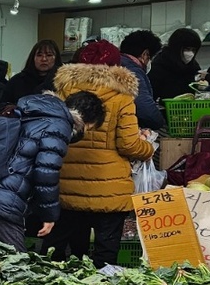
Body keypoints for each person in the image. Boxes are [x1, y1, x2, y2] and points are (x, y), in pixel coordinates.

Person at [51, 40, 156, 267]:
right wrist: (148, 149)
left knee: (71, 256)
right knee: (104, 257)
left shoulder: (62, 92)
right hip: (110, 191)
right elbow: (129, 145)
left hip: (68, 187)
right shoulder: (121, 96)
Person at [0, 91, 104, 251]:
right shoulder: (59, 125)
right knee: (15, 265)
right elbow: (46, 172)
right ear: (86, 120)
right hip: (1, 202)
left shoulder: (34, 112)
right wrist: (49, 216)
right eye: (89, 129)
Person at [117, 30, 166, 132]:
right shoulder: (132, 70)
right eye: (150, 57)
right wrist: (161, 123)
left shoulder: (117, 64)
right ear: (145, 54)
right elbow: (144, 107)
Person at [148, 28, 202, 101]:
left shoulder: (193, 66)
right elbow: (152, 96)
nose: (190, 54)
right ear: (176, 48)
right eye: (187, 49)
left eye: (193, 50)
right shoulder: (159, 66)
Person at [3, 40, 62, 105]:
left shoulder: (63, 82)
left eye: (49, 55)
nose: (44, 59)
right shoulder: (17, 80)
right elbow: (0, 105)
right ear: (33, 58)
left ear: (56, 58)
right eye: (39, 55)